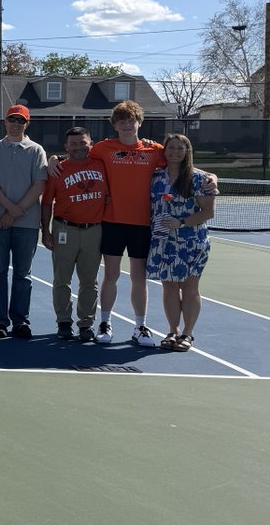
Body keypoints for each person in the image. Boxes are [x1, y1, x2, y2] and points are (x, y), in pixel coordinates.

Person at [50, 100, 217, 347]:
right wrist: (54, 158)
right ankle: (105, 323)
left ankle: (140, 326)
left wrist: (212, 176)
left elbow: (182, 160)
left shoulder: (155, 150)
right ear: (115, 125)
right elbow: (78, 153)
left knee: (139, 277)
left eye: (131, 120)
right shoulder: (103, 148)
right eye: (121, 121)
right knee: (111, 276)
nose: (127, 125)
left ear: (139, 123)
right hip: (112, 222)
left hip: (143, 225)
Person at [0, 105, 48, 339]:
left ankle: (20, 321)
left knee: (23, 274)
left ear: (26, 124)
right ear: (5, 121)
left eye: (20, 121)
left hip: (27, 223)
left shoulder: (36, 150)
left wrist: (15, 211)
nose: (15, 124)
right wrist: (9, 209)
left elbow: (39, 185)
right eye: (12, 119)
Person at [148, 133, 215, 352]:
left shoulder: (199, 179)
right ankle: (172, 330)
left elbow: (208, 212)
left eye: (180, 148)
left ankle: (187, 333)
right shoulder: (156, 176)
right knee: (168, 287)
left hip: (192, 241)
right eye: (171, 148)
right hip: (163, 241)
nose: (175, 152)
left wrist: (182, 222)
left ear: (187, 152)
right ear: (164, 150)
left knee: (189, 286)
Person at [40, 127, 107, 342]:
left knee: (89, 281)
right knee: (62, 280)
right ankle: (64, 322)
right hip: (64, 229)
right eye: (74, 144)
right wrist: (46, 231)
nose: (79, 147)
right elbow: (47, 203)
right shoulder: (57, 169)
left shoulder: (101, 164)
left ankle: (86, 324)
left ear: (91, 143)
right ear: (66, 147)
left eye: (83, 143)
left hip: (94, 230)